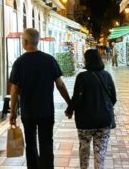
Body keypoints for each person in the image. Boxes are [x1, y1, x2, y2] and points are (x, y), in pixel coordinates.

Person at [9, 28, 72, 169]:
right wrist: (70, 103)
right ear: (37, 41)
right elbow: (60, 85)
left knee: (31, 144)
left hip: (28, 112)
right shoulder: (49, 60)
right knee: (46, 144)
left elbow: (14, 89)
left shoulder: (19, 62)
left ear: (25, 41)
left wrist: (12, 111)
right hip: (46, 111)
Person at [66, 49, 117, 169]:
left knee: (84, 149)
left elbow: (76, 98)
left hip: (85, 121)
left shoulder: (82, 77)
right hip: (104, 120)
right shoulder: (107, 75)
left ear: (87, 60)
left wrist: (70, 110)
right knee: (100, 151)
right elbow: (113, 98)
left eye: (84, 58)